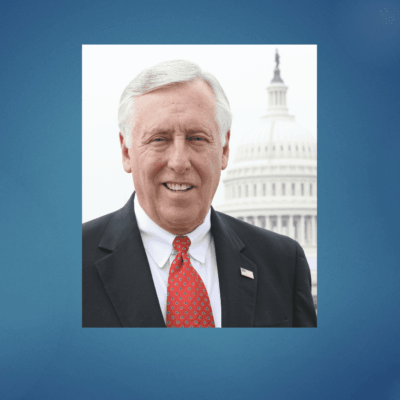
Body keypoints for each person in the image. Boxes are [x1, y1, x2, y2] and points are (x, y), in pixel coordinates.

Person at [82, 59, 317, 328]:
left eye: (197, 138)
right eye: (159, 139)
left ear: (225, 150)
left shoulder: (283, 264)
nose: (179, 162)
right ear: (126, 152)